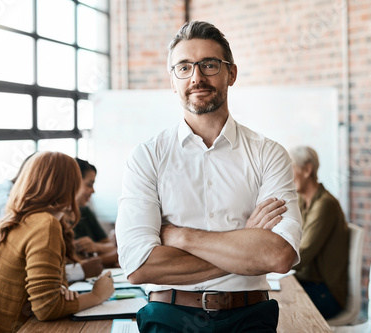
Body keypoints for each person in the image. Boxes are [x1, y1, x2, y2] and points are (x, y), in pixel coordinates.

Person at [115, 21, 302, 332]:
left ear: (232, 73)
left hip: (250, 317)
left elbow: (279, 255)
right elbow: (138, 267)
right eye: (184, 67)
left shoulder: (269, 154)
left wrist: (179, 235)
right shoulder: (146, 157)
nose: (197, 77)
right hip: (169, 315)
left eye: (209, 65)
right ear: (172, 80)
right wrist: (244, 242)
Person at [0, 152, 115, 333]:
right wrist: (97, 295)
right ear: (68, 186)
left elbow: (45, 298)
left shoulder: (22, 217)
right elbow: (46, 309)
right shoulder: (45, 224)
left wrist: (59, 290)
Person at [289, 146, 349, 320]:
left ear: (307, 170)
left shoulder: (325, 204)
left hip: (326, 292)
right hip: (307, 283)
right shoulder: (300, 200)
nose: (286, 175)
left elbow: (302, 254)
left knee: (276, 310)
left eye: (290, 168)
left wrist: (265, 264)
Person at [72, 158, 119, 267]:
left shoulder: (85, 212)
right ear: (75, 182)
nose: (93, 191)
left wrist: (95, 247)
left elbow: (111, 246)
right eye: (89, 185)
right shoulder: (55, 219)